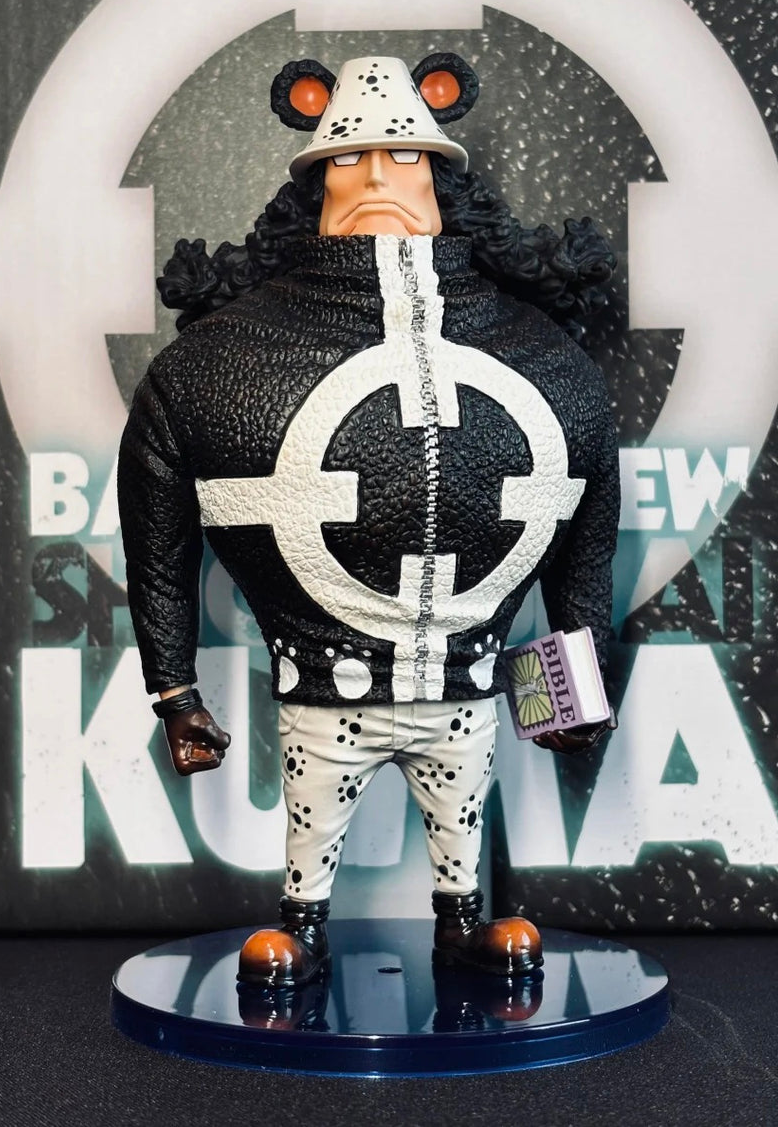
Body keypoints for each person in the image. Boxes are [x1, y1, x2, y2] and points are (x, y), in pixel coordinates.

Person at [118, 53, 620, 987]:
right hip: (319, 685)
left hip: (466, 686)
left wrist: (568, 696)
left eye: (405, 157)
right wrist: (175, 697)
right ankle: (302, 930)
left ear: (440, 178)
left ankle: (463, 925)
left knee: (461, 819)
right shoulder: (210, 366)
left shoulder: (549, 360)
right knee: (313, 825)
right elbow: (157, 539)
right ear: (314, 183)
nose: (378, 177)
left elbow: (578, 530)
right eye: (350, 161)